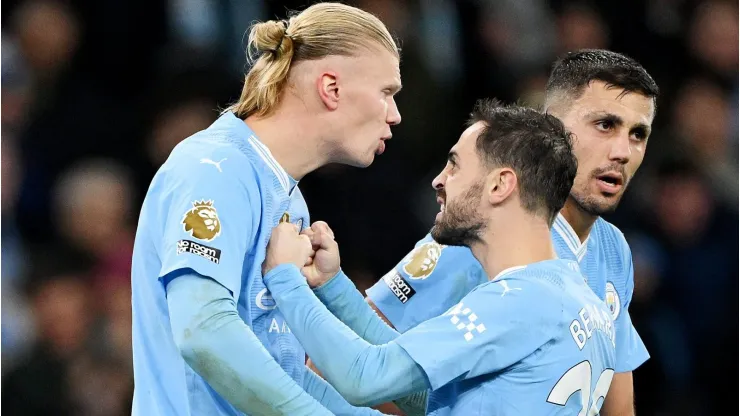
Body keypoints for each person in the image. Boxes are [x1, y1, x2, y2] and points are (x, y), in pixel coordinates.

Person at [130, 3, 402, 415]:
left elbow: (282, 371)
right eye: (387, 93)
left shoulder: (287, 196)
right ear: (331, 87)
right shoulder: (215, 168)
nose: (395, 115)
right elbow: (202, 330)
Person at [261, 100, 617, 415]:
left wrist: (284, 278)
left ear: (500, 185)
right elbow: (423, 398)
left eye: (455, 166)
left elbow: (365, 378)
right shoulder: (579, 298)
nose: (438, 180)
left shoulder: (518, 302)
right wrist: (332, 286)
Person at [364, 49, 659, 415]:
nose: (623, 151)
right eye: (604, 125)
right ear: (552, 128)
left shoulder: (614, 251)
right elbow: (354, 362)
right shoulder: (479, 233)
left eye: (638, 134)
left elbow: (616, 404)